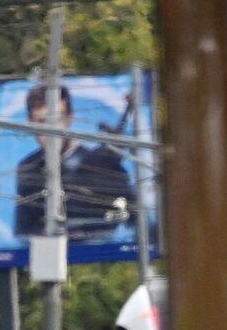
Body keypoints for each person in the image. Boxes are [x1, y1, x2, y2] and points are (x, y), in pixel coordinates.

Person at [13, 83, 136, 240]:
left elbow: (132, 225)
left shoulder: (104, 165)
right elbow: (23, 233)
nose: (51, 131)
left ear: (69, 118)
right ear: (30, 122)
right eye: (42, 122)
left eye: (56, 120)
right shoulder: (28, 169)